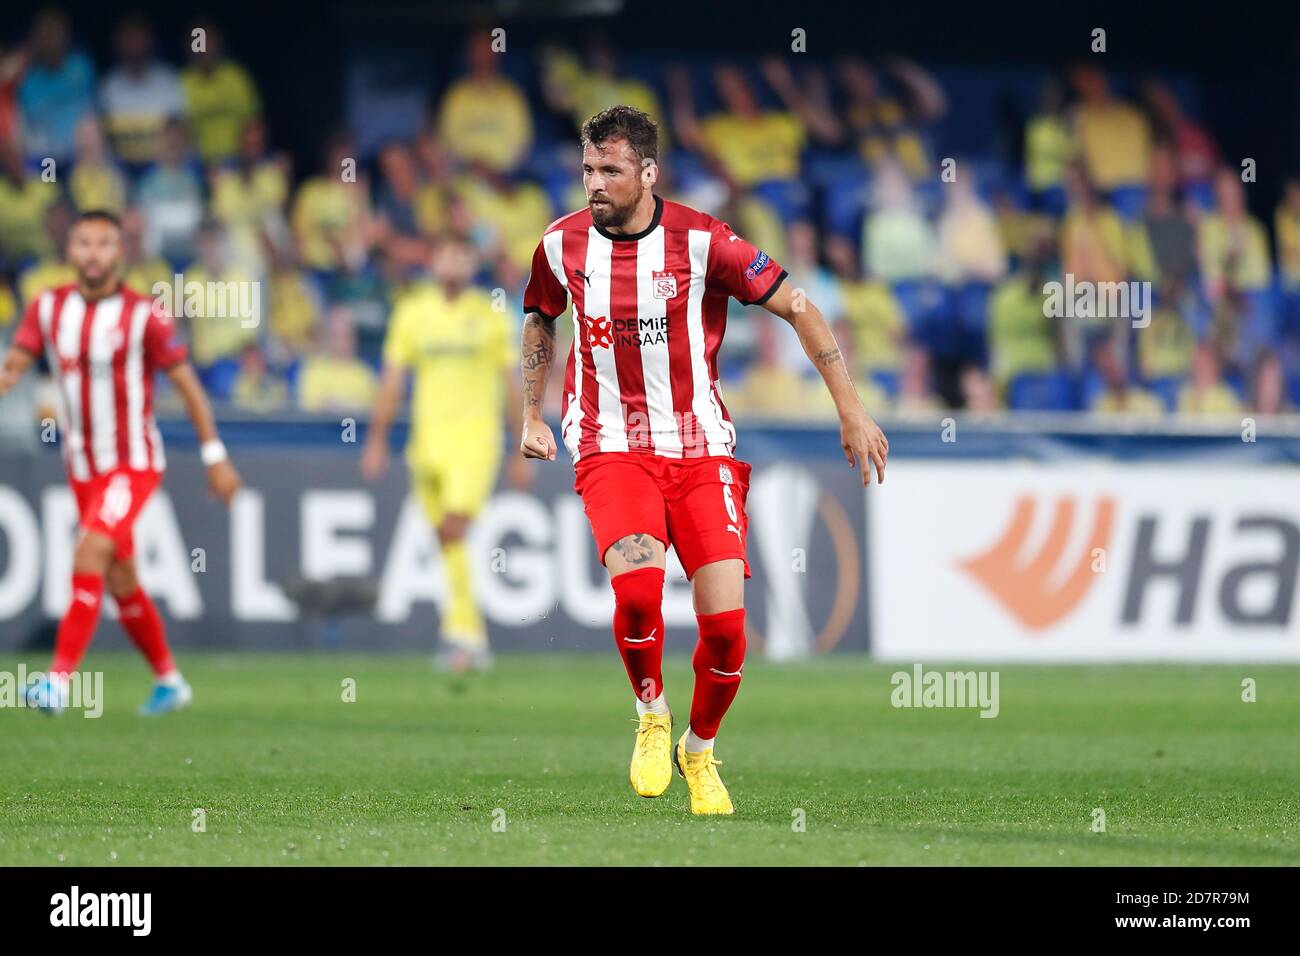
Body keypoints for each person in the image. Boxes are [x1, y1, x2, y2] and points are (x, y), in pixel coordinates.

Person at [518, 106, 888, 815]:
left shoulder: (703, 240)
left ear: (648, 174)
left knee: (726, 631)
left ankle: (700, 748)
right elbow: (539, 315)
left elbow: (800, 306)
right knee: (635, 592)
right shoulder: (560, 245)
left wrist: (850, 405)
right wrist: (531, 413)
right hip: (610, 443)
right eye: (588, 169)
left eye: (610, 170)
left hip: (700, 447)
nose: (594, 182)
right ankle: (651, 711)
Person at [0, 209, 243, 715]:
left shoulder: (144, 316)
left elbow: (188, 385)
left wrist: (214, 456)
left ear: (120, 252)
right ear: (70, 251)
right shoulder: (46, 309)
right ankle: (170, 681)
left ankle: (57, 682)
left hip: (132, 463)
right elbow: (13, 370)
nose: (93, 253)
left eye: (103, 243)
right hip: (83, 468)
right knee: (122, 581)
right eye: (83, 242)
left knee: (88, 552)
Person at [362, 234, 529, 671]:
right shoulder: (412, 313)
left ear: (472, 265)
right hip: (426, 445)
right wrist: (377, 439)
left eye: (462, 256)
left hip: (476, 442)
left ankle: (464, 636)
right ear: (433, 261)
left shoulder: (492, 315)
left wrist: (519, 446)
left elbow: (512, 383)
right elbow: (393, 381)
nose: (454, 263)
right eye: (447, 254)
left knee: (453, 528)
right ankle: (465, 635)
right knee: (444, 539)